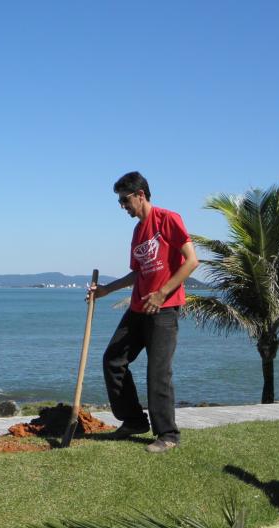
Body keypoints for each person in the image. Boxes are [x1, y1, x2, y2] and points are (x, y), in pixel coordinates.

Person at [90, 171, 199, 453]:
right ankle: (135, 421)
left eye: (124, 200)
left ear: (140, 195)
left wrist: (163, 293)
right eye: (120, 202)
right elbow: (136, 273)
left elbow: (191, 261)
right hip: (139, 307)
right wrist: (106, 290)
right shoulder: (138, 231)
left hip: (164, 309)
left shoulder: (168, 219)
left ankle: (168, 435)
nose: (122, 206)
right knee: (113, 360)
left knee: (158, 372)